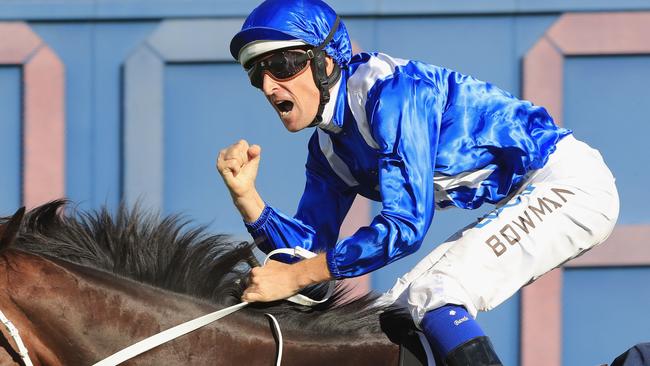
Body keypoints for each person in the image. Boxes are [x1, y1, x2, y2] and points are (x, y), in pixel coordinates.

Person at [217, 0, 620, 364]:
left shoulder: (392, 93)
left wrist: (300, 274)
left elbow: (405, 228)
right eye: (257, 72)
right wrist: (248, 199)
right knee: (395, 314)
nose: (270, 85)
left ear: (325, 62)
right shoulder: (327, 149)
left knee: (437, 293)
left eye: (282, 65)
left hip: (569, 183)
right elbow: (306, 258)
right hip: (529, 192)